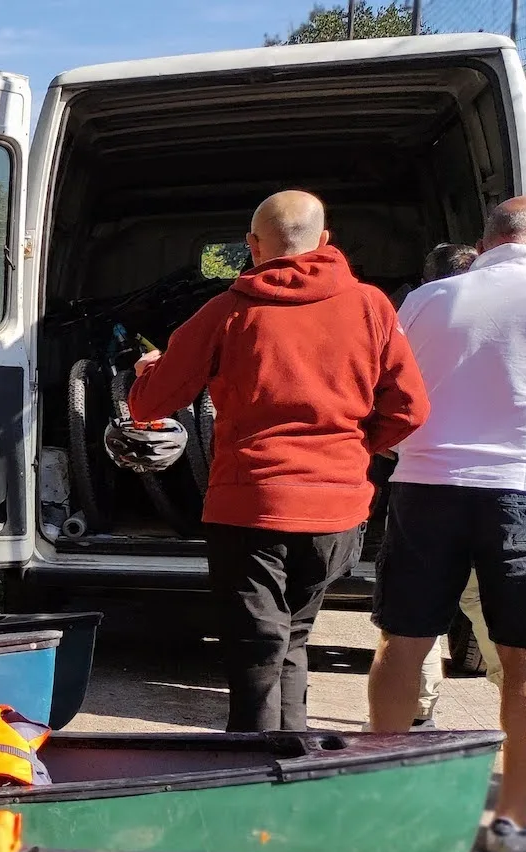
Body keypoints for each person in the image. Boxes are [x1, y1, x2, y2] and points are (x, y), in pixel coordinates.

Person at [132, 190, 429, 733]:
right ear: (325, 240)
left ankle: (255, 762)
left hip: (251, 506)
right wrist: (350, 450)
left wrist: (148, 369)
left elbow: (149, 404)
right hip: (336, 512)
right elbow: (410, 408)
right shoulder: (371, 306)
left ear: (252, 245)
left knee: (256, 648)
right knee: (291, 635)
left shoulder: (227, 311)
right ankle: (291, 753)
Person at [368, 196, 526, 852]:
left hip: (426, 484)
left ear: (485, 243)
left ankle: (386, 803)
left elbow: (384, 390)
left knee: (403, 642)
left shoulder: (426, 300)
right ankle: (512, 820)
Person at [390, 243, 496, 727]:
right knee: (483, 599)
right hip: (499, 483)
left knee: (418, 609)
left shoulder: (414, 313)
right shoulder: (505, 320)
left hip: (425, 477)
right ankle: (522, 702)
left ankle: (419, 715)